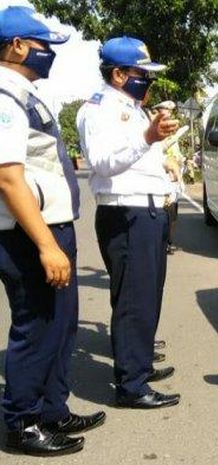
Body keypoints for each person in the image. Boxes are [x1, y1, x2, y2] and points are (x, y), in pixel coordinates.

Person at [0, 6, 105, 456]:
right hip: (28, 234)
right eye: (43, 46)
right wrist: (45, 244)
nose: (48, 54)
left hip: (51, 227)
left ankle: (52, 409)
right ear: (18, 45)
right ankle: (22, 422)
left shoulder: (26, 93)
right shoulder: (5, 99)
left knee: (60, 327)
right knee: (37, 328)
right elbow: (7, 176)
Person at [76, 36, 181, 409]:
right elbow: (103, 162)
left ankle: (139, 365)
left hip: (147, 212)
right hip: (127, 215)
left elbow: (139, 158)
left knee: (146, 296)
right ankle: (131, 386)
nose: (148, 81)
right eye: (142, 74)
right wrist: (147, 137)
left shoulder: (132, 107)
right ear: (119, 74)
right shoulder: (99, 109)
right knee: (134, 301)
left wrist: (159, 154)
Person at [152, 100, 184, 255]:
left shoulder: (170, 131)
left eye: (171, 112)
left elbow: (175, 155)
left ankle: (168, 242)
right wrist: (172, 139)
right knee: (165, 213)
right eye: (166, 111)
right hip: (163, 178)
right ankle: (162, 242)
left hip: (173, 178)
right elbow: (157, 151)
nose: (169, 115)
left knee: (173, 214)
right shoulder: (155, 129)